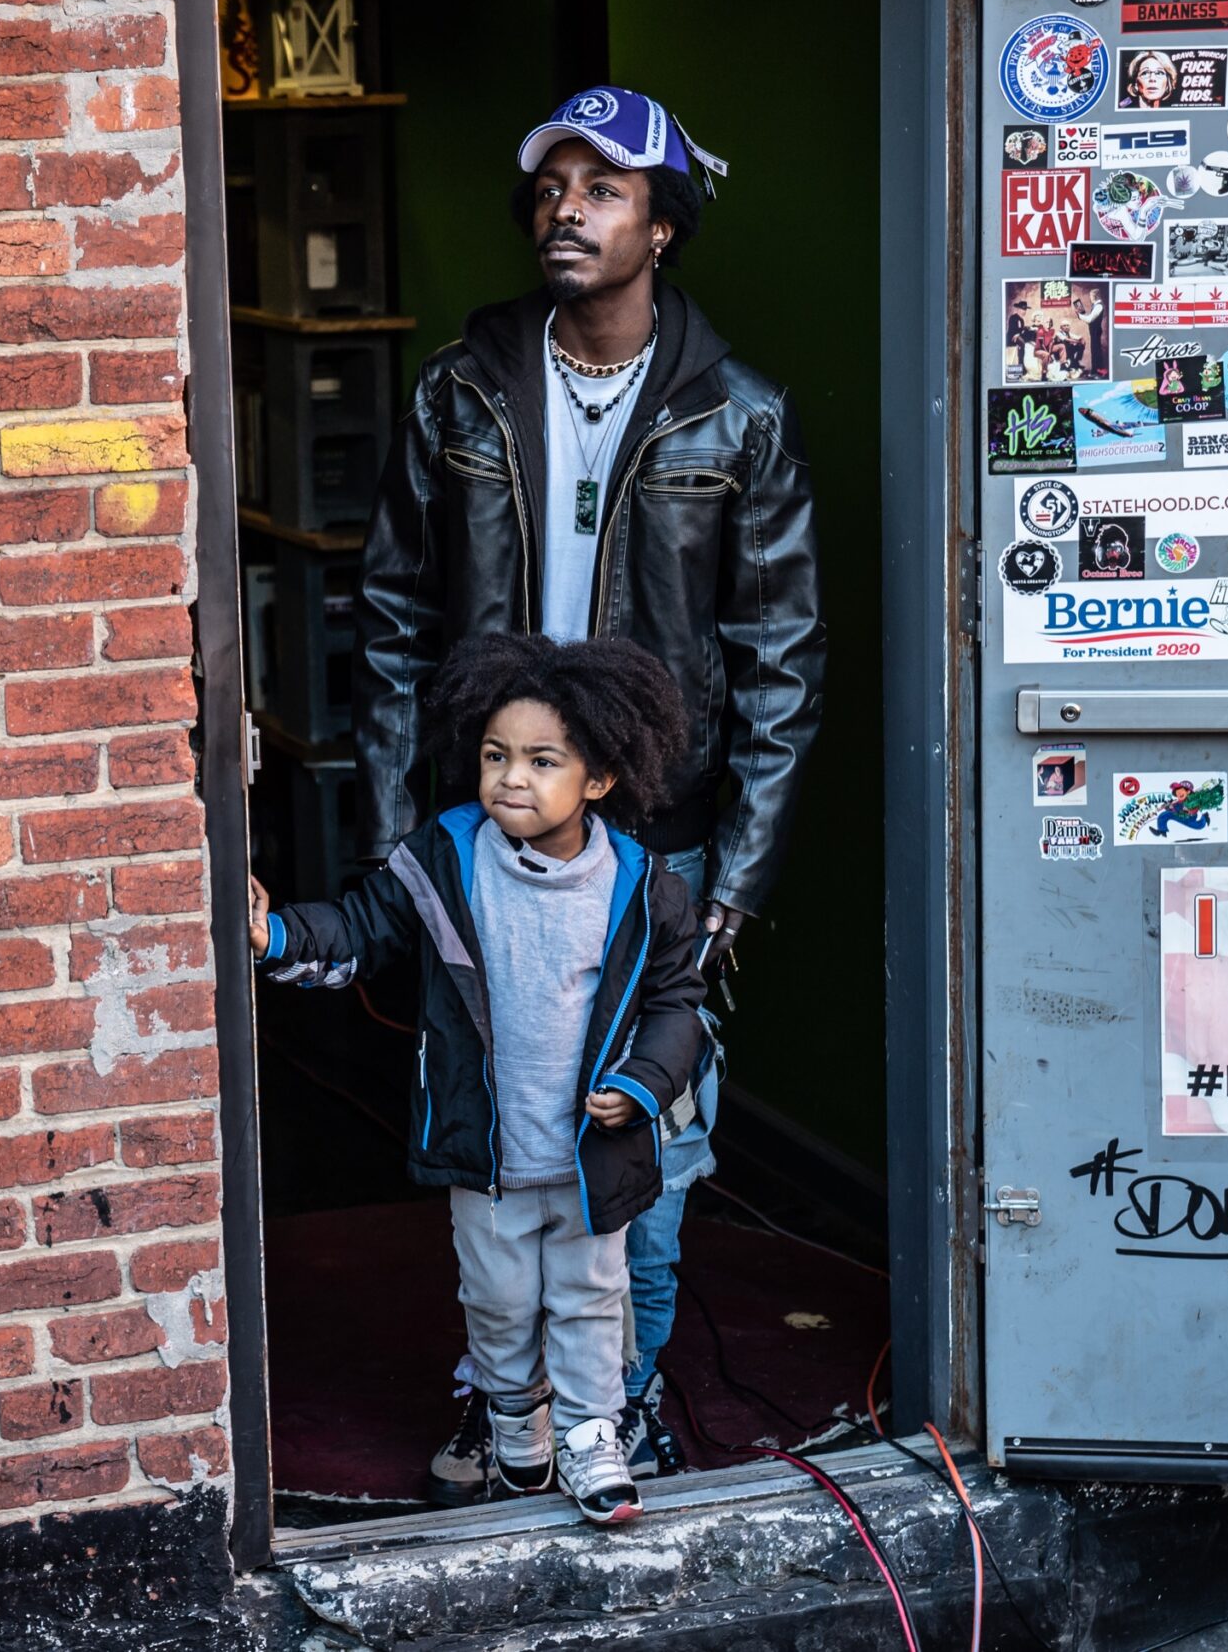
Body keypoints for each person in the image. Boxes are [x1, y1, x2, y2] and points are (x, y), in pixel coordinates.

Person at [352, 85, 824, 1495]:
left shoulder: (740, 417)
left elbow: (782, 667)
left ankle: (622, 1397)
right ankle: (505, 1401)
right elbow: (390, 624)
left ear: (662, 227)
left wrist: (734, 885)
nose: (568, 209)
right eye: (554, 187)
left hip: (659, 844)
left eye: (605, 189)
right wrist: (394, 846)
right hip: (485, 831)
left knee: (644, 1154)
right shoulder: (461, 389)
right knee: (494, 1131)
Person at [251, 634, 710, 1525]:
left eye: (543, 761)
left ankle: (591, 1433)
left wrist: (644, 1086)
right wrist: (275, 935)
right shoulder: (447, 857)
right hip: (488, 1155)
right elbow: (361, 930)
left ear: (600, 779)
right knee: (498, 1303)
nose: (511, 778)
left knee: (589, 1300)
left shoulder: (643, 886)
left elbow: (676, 1005)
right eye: (497, 756)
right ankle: (512, 1415)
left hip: (592, 1156)